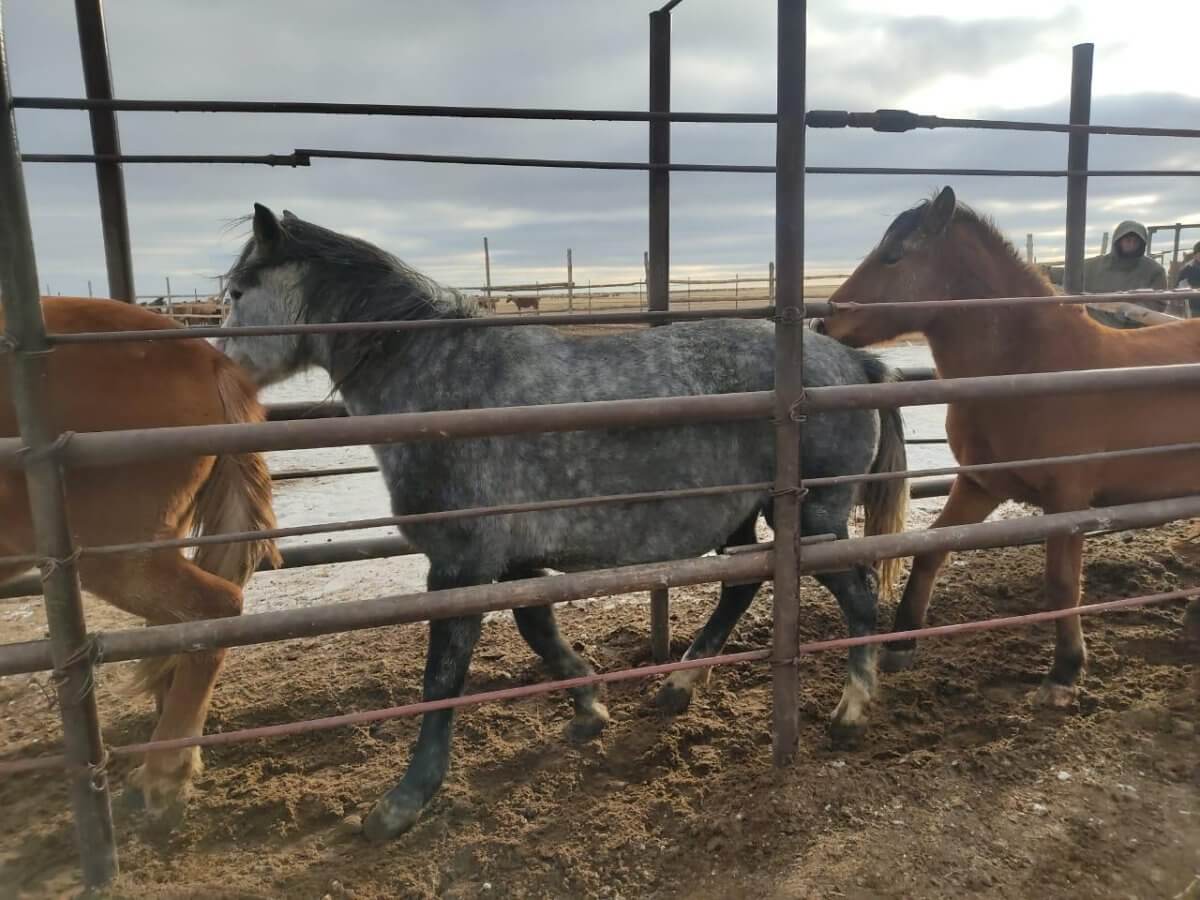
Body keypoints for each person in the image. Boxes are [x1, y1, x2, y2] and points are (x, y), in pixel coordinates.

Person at [1072, 220, 1181, 327]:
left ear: (1141, 244)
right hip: (1096, 329)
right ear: (1119, 240)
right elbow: (1067, 274)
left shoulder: (1154, 271)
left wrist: (1128, 312)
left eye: (1135, 241)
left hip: (1134, 332)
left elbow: (1158, 303)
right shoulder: (1093, 266)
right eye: (1128, 240)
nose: (1131, 244)